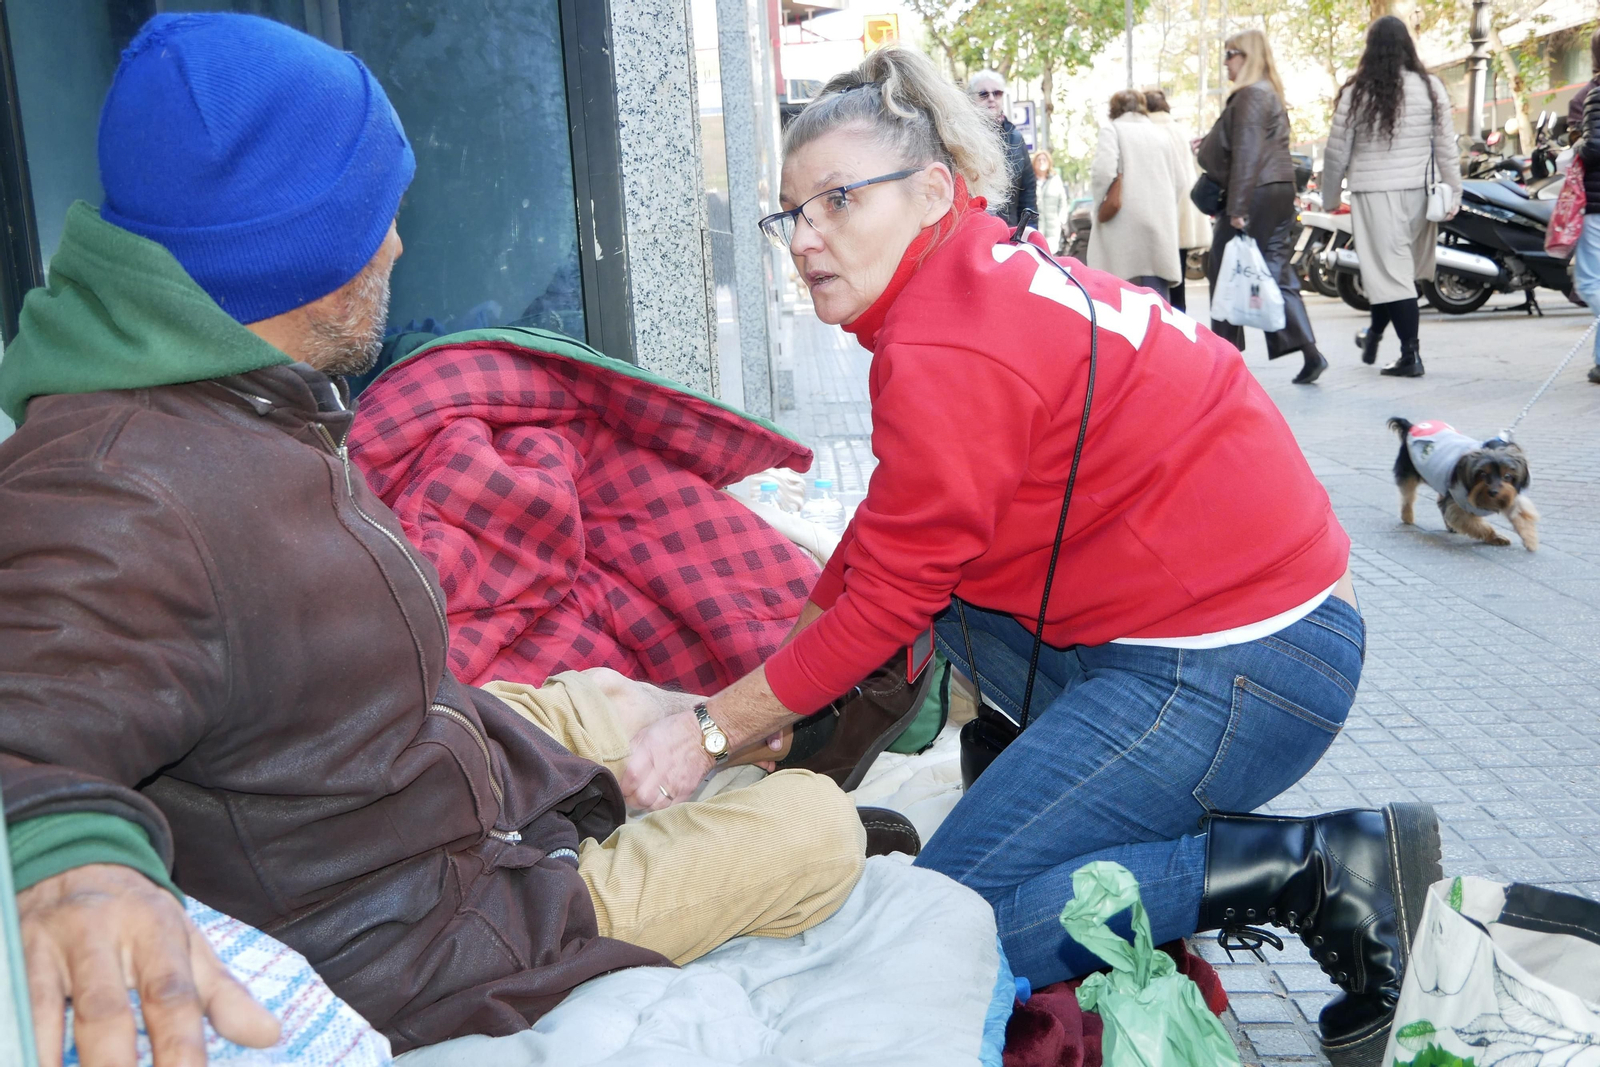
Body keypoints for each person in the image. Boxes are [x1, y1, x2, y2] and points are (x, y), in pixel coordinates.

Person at [0, 15, 913, 1064]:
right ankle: (685, 806)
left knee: (620, 693)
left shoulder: (226, 399)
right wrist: (70, 861)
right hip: (429, 926)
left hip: (406, 760)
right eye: (378, 214)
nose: (395, 244)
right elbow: (31, 703)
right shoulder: (113, 482)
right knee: (814, 825)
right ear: (297, 242)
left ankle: (649, 767)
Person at [628, 43, 1441, 1067]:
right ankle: (1066, 799)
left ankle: (1312, 867)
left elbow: (886, 598)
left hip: (1246, 663)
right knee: (938, 607)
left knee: (945, 925)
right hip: (1235, 627)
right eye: (789, 213)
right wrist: (766, 706)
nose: (805, 239)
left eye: (838, 202)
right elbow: (891, 535)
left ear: (930, 192)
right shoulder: (963, 278)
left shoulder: (941, 344)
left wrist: (705, 733)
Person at [1320, 16, 1460, 379]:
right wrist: (1454, 191)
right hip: (1418, 194)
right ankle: (1374, 333)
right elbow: (1447, 147)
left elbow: (1337, 152)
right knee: (1395, 273)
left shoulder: (1356, 92)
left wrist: (1330, 196)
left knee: (1390, 274)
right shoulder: (1431, 87)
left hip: (1374, 194)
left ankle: (1410, 356)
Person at [1198, 29, 1330, 384]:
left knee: (1225, 269)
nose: (1225, 61)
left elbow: (1248, 154)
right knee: (1274, 271)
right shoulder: (1267, 93)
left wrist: (1238, 207)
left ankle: (1222, 362)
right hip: (1276, 191)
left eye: (1231, 53)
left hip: (1255, 193)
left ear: (1248, 56)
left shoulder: (1251, 95)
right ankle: (1310, 352)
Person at [1088, 89, 1181, 299]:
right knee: (1158, 304)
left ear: (1114, 109)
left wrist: (1100, 204)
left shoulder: (1113, 130)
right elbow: (1181, 181)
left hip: (1121, 224)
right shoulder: (1162, 135)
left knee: (1123, 298)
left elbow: (1103, 172)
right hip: (1158, 225)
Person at [1144, 88, 1212, 312]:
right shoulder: (1178, 130)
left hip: (1158, 212)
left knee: (1155, 283)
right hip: (1184, 212)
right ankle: (1181, 326)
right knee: (1179, 281)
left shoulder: (1146, 130)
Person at [968, 70, 1037, 227]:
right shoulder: (960, 139)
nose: (991, 99)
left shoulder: (1016, 140)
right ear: (971, 100)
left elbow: (1028, 197)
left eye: (997, 93)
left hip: (1008, 236)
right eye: (984, 94)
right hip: (972, 236)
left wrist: (1030, 236)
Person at [1570, 31, 1600, 385]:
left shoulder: (1594, 96)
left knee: (1590, 281)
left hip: (1596, 202)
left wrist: (1577, 145)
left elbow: (1594, 149)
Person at [1034, 149, 1068, 253]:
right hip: (1036, 228)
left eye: (1044, 159)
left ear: (1049, 162)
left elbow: (1063, 201)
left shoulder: (1055, 180)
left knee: (1051, 258)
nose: (1041, 162)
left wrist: (1062, 219)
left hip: (1053, 229)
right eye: (1038, 159)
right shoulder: (1030, 180)